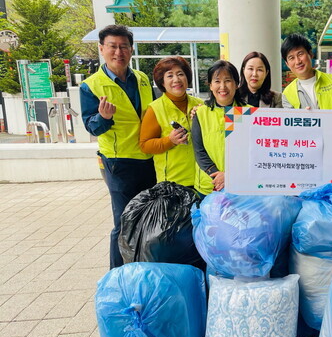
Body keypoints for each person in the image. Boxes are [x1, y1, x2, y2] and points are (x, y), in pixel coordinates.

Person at [80, 25, 156, 269]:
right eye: (112, 46)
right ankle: (117, 275)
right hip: (118, 162)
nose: (118, 52)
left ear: (131, 49)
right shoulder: (91, 86)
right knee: (123, 221)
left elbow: (155, 113)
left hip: (148, 158)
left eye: (124, 46)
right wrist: (103, 117)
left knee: (146, 218)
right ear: (102, 49)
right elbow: (91, 127)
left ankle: (142, 268)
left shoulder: (143, 79)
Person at [139, 56, 202, 187]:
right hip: (173, 182)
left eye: (180, 74)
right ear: (162, 82)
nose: (176, 80)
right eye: (170, 76)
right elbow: (145, 145)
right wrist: (170, 141)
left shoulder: (200, 105)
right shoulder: (155, 109)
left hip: (201, 180)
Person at [191, 60, 247, 196]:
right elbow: (199, 151)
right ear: (210, 86)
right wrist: (217, 177)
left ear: (237, 84)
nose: (222, 86)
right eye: (217, 81)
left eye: (228, 80)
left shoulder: (248, 113)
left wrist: (230, 175)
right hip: (208, 186)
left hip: (240, 185)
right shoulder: (201, 113)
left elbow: (251, 151)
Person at [281, 33, 332, 132]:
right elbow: (290, 128)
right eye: (291, 58)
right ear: (287, 64)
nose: (298, 61)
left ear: (310, 54)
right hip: (308, 145)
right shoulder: (287, 94)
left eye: (300, 54)